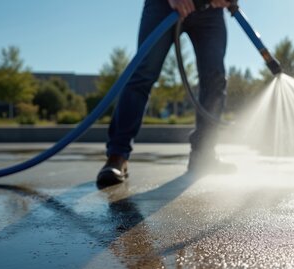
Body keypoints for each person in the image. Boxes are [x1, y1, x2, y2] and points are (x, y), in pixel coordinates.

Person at [97, 0, 235, 188]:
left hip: (210, 9)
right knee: (144, 72)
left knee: (215, 79)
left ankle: (203, 154)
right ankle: (117, 156)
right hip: (162, 6)